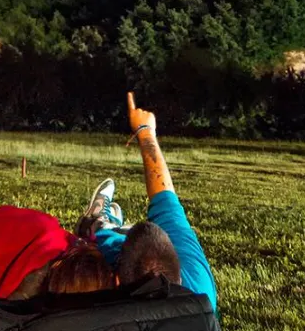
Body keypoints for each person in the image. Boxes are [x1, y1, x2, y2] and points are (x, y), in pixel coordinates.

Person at [76, 92, 218, 313]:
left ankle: (99, 225)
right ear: (179, 268)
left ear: (116, 282)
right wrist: (146, 132)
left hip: (107, 263)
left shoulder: (105, 307)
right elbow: (166, 199)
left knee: (101, 243)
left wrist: (144, 131)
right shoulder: (201, 290)